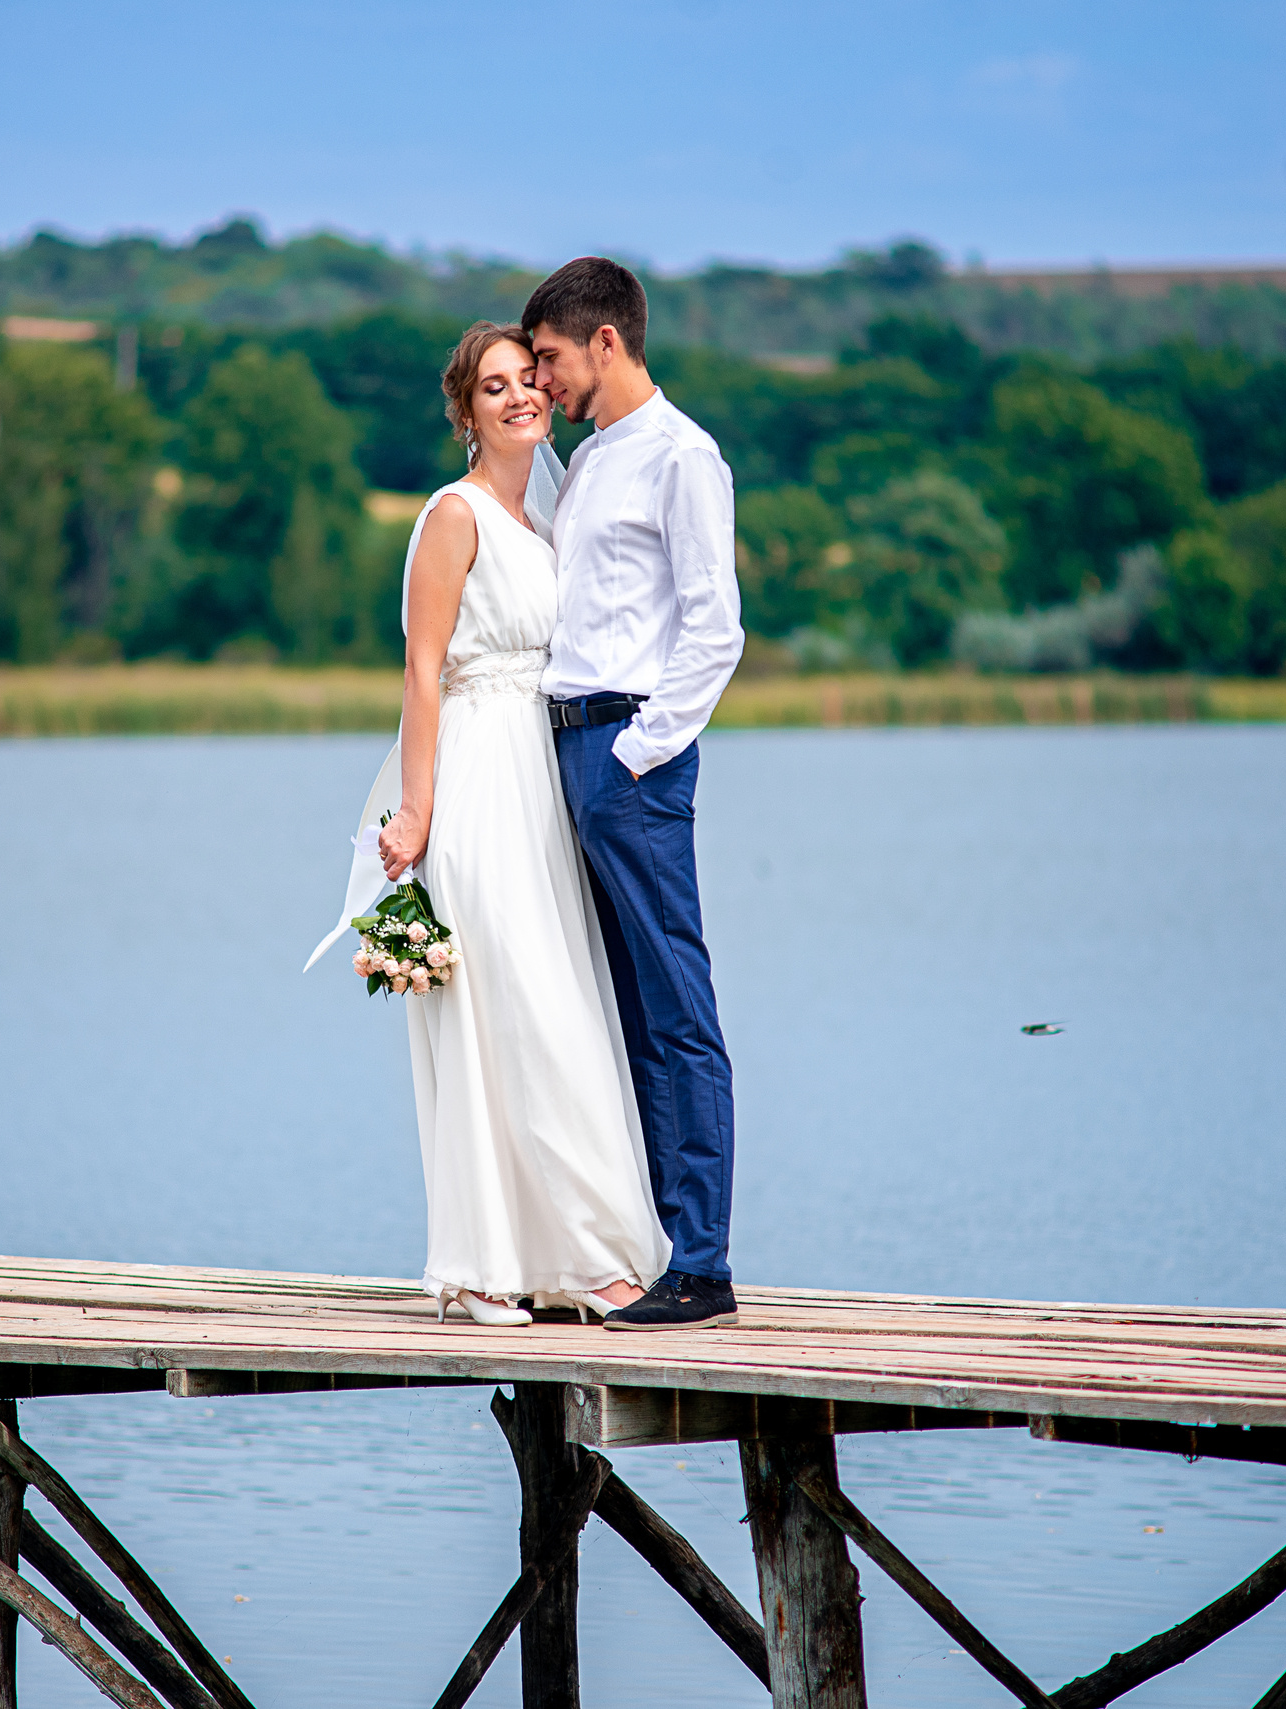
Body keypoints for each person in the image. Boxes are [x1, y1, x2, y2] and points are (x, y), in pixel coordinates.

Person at [323, 320, 672, 1327]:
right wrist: (418, 809)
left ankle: (539, 1258)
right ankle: (502, 1264)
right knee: (510, 1012)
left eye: (529, 379)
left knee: (552, 1005)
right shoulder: (453, 513)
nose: (519, 396)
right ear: (464, 410)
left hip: (542, 783)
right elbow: (422, 669)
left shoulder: (543, 520)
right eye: (494, 386)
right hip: (474, 777)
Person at [524, 257, 744, 1331]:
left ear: (605, 341)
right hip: (564, 750)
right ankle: (645, 1249)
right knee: (611, 1016)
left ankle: (701, 1262)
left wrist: (637, 755)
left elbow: (715, 628)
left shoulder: (681, 456)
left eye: (554, 359)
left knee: (674, 1009)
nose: (546, 379)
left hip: (629, 755)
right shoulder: (586, 461)